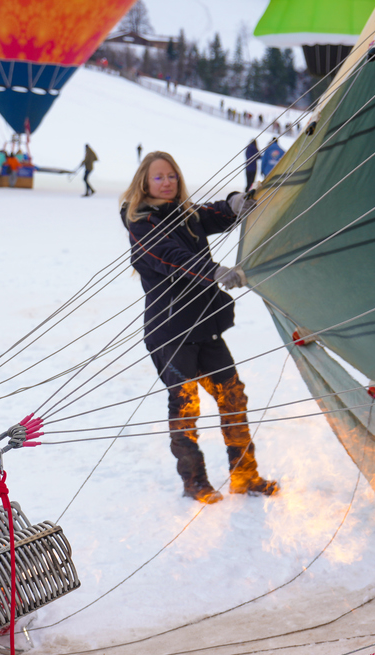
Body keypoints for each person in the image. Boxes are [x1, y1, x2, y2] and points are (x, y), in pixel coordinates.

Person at [120, 152, 279, 503]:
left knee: (233, 396)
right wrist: (215, 271)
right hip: (171, 333)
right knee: (185, 404)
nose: (167, 182)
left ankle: (245, 475)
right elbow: (170, 258)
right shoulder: (141, 225)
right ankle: (194, 481)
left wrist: (236, 204)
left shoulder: (186, 214)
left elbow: (214, 213)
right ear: (144, 183)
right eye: (159, 177)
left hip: (204, 326)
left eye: (172, 176)